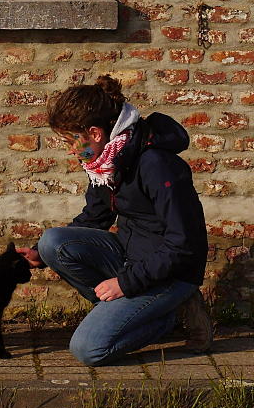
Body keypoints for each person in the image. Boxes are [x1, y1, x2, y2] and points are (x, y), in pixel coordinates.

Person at [17, 75, 212, 366]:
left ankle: (167, 316)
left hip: (172, 273)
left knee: (88, 350)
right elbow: (94, 217)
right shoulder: (106, 162)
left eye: (71, 140)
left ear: (95, 133)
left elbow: (183, 244)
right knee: (52, 242)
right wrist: (38, 253)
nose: (70, 150)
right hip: (131, 258)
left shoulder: (157, 165)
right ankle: (128, 314)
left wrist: (126, 283)